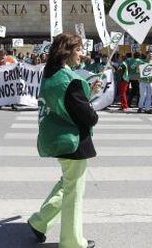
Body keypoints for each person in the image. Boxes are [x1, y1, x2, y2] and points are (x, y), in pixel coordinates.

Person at [28, 33, 100, 248]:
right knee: (74, 195)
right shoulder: (71, 81)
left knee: (67, 184)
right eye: (78, 50)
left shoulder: (51, 76)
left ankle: (40, 222)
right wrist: (89, 103)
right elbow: (89, 117)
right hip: (74, 142)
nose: (82, 54)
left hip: (58, 139)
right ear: (66, 52)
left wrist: (88, 94)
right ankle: (73, 242)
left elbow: (67, 104)